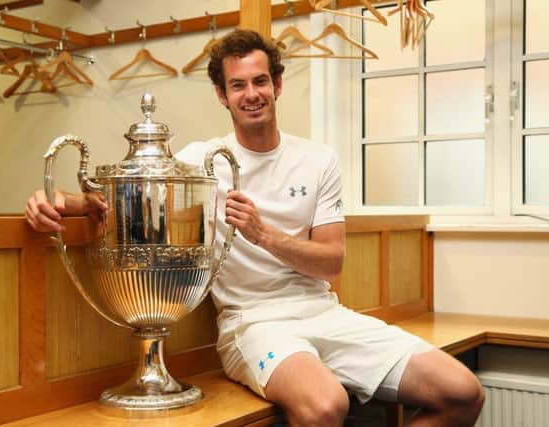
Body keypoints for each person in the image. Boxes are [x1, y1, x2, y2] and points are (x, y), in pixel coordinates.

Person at [26, 29, 484, 427]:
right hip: (253, 325)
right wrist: (58, 203)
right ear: (222, 95)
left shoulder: (318, 159)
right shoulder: (200, 161)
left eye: (261, 81)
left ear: (277, 84)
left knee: (464, 393)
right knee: (327, 407)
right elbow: (120, 197)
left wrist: (265, 235)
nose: (252, 94)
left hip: (324, 313)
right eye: (238, 85)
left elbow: (332, 259)